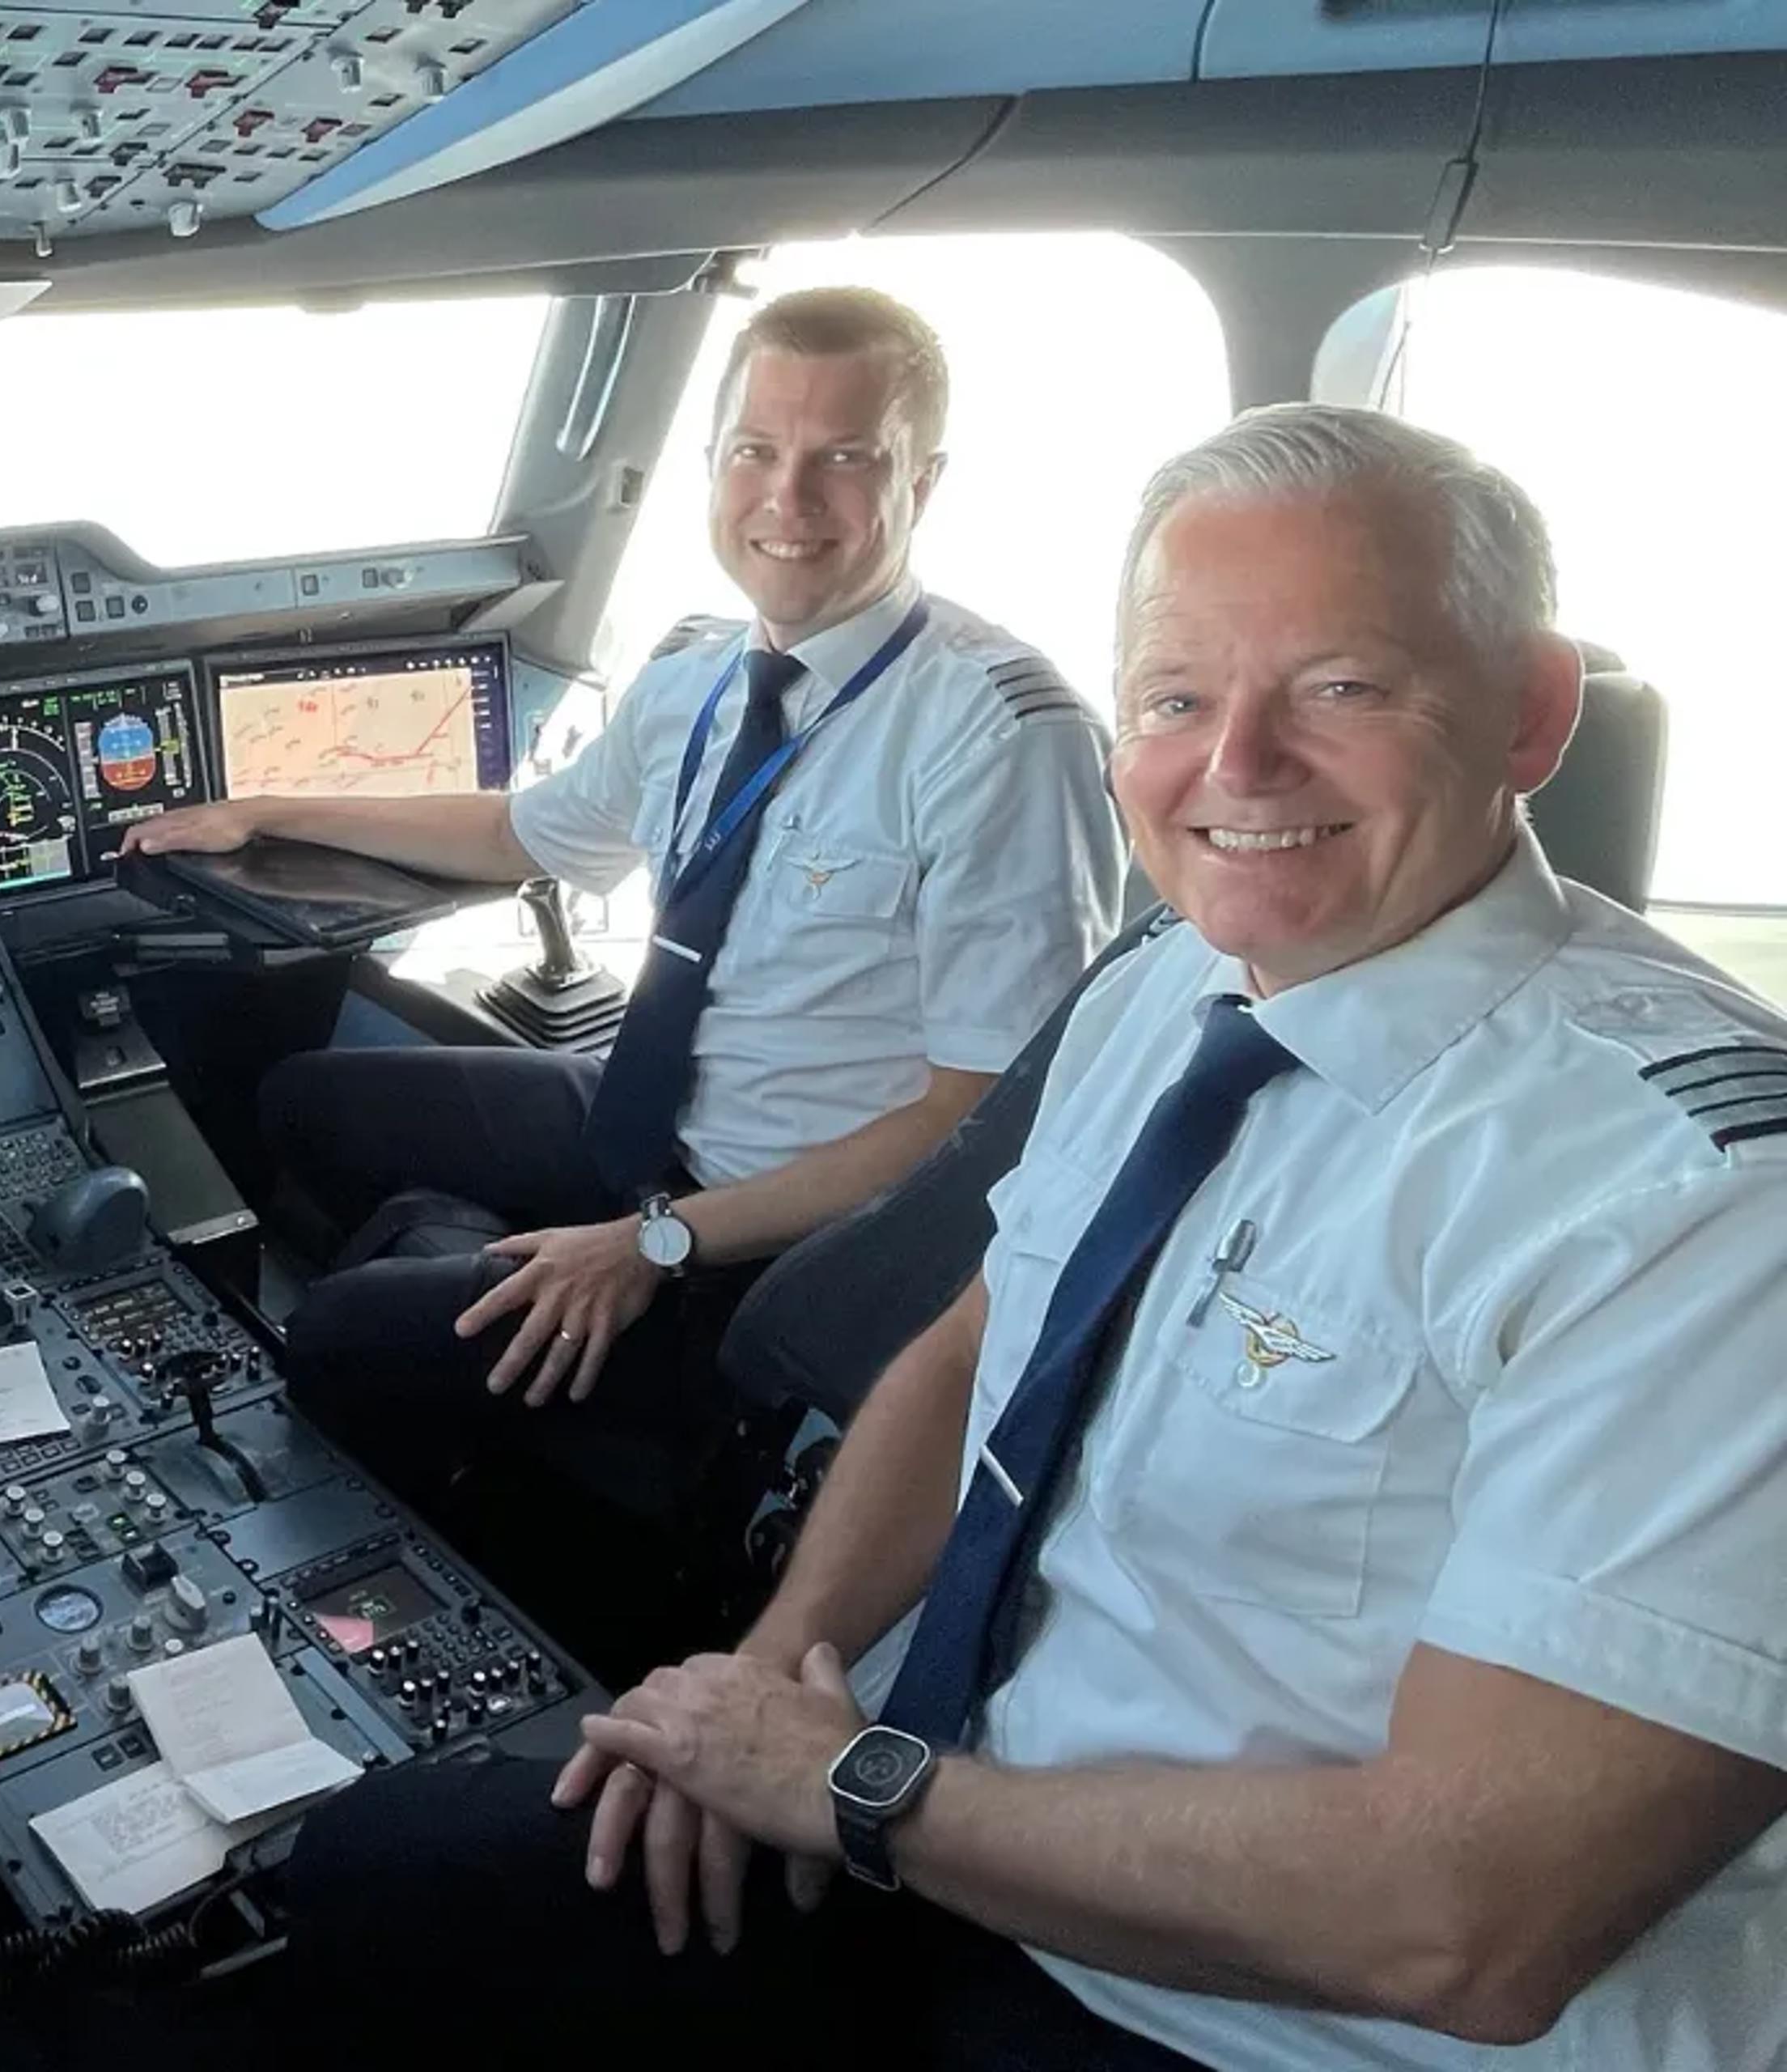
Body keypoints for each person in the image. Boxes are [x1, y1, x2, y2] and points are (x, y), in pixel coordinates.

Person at [272, 404, 1787, 2067]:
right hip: (954, 1803)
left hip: (1253, 2020)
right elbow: (979, 1346)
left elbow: (1463, 1920)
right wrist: (780, 1675)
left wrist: (856, 1789)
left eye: (1344, 687)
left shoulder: (1697, 1202)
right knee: (361, 1885)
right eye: (1177, 699)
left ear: (1533, 711)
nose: (1239, 765)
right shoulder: (1168, 982)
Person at [125, 287, 1121, 1577]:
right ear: (712, 463)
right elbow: (522, 832)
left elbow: (980, 1119)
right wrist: (267, 808)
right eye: (756, 450)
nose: (787, 498)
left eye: (844, 458)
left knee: (335, 1339)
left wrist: (657, 1245)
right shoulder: (699, 673)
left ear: (920, 480)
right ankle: (480, 1274)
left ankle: (576, 1397)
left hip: (783, 1236)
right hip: (645, 1122)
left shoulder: (1003, 738)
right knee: (305, 1103)